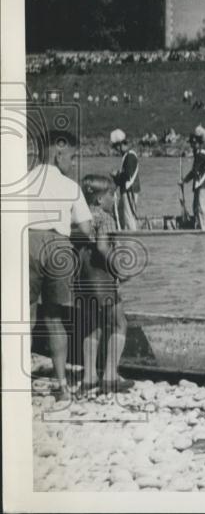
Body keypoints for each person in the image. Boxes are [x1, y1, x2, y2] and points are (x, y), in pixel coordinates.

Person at [27, 129, 94, 400]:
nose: (73, 163)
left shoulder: (22, 180)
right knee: (55, 319)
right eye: (72, 157)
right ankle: (63, 387)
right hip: (58, 246)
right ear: (58, 153)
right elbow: (88, 232)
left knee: (25, 318)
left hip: (26, 241)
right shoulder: (70, 186)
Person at [76, 175, 134, 394]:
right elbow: (102, 246)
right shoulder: (106, 217)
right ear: (100, 199)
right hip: (101, 277)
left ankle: (89, 376)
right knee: (120, 323)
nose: (114, 198)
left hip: (82, 277)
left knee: (93, 326)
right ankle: (110, 377)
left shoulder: (81, 217)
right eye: (111, 194)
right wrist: (120, 269)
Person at [180, 125, 205, 230]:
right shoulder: (200, 153)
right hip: (201, 186)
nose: (192, 146)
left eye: (193, 144)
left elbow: (194, 171)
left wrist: (184, 181)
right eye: (191, 144)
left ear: (198, 143)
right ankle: (200, 228)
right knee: (196, 209)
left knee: (202, 210)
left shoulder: (201, 154)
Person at [109, 128, 140, 231]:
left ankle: (132, 236)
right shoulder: (127, 156)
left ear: (121, 145)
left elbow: (128, 177)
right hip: (126, 191)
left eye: (116, 147)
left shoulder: (130, 156)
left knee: (129, 217)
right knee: (121, 213)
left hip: (129, 191)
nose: (116, 150)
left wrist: (117, 175)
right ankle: (122, 232)